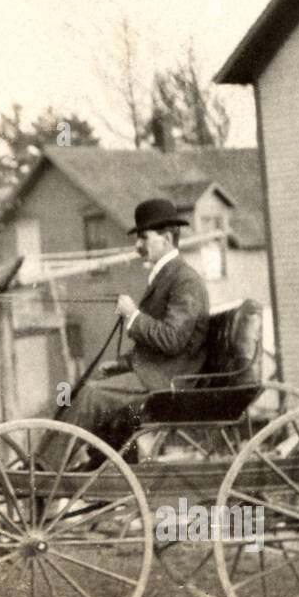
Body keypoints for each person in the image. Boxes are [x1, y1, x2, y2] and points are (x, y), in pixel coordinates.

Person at [40, 197, 210, 466]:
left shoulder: (185, 280)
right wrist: (122, 364)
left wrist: (133, 316)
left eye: (143, 238)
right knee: (81, 390)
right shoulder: (166, 276)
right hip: (158, 374)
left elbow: (172, 339)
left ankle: (43, 468)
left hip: (170, 381)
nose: (137, 246)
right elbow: (156, 346)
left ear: (165, 238)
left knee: (92, 395)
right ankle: (101, 465)